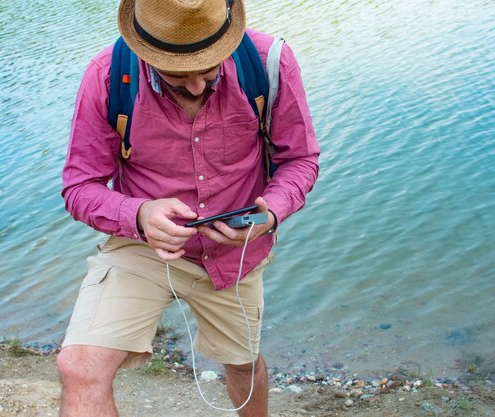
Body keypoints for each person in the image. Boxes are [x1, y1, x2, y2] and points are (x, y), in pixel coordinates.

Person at [57, 0, 320, 415]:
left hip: (237, 253)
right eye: (178, 73)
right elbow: (79, 186)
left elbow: (300, 160)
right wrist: (140, 215)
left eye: (209, 67)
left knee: (243, 366)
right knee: (79, 367)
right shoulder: (107, 76)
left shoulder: (269, 62)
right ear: (146, 52)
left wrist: (269, 213)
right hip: (143, 248)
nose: (197, 86)